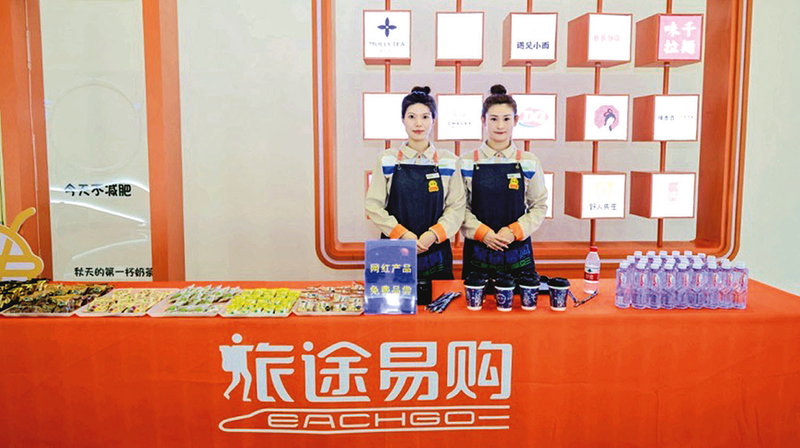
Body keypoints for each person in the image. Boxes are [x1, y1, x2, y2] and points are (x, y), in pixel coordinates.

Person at [365, 86, 466, 280]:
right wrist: (402, 234)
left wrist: (433, 235)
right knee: (394, 297)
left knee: (438, 298)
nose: (418, 123)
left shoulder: (449, 161)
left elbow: (456, 207)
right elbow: (373, 205)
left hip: (435, 249)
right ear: (402, 120)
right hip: (394, 249)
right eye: (412, 117)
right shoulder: (387, 159)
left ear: (433, 120)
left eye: (425, 117)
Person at [460, 84, 548, 279]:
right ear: (483, 120)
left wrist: (513, 231)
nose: (500, 126)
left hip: (518, 256)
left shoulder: (529, 161)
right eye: (494, 119)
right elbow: (458, 208)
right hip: (477, 256)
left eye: (506, 119)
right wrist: (483, 233)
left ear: (515, 120)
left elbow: (539, 206)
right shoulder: (466, 162)